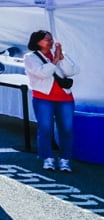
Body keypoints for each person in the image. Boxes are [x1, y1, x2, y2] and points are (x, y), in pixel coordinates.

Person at [24, 30, 79, 173]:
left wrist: (61, 57)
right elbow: (42, 73)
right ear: (37, 41)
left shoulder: (59, 54)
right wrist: (54, 61)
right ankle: (47, 157)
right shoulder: (30, 57)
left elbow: (73, 71)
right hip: (43, 97)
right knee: (45, 128)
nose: (50, 42)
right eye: (46, 39)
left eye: (51, 39)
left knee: (67, 129)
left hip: (64, 97)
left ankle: (65, 159)